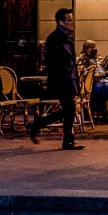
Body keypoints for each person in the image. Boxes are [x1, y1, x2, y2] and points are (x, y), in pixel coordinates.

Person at [27, 8, 83, 150]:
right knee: (69, 109)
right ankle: (66, 139)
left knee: (69, 110)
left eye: (72, 20)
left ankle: (39, 126)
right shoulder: (54, 38)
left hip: (69, 78)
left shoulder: (67, 37)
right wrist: (64, 74)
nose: (72, 23)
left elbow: (71, 62)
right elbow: (52, 61)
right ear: (60, 22)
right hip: (61, 80)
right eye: (68, 20)